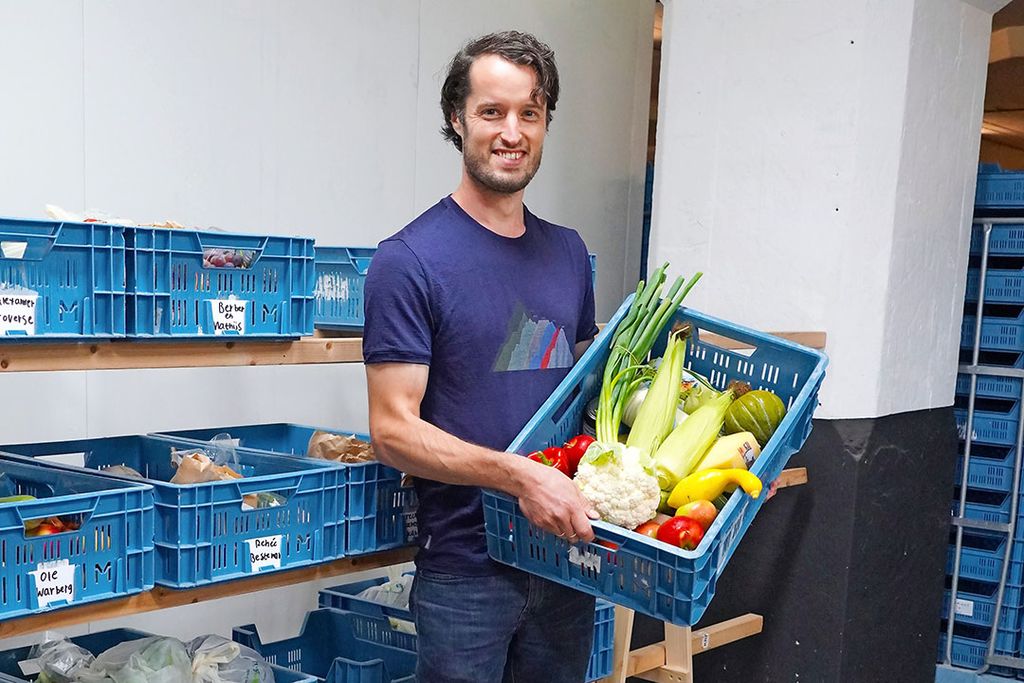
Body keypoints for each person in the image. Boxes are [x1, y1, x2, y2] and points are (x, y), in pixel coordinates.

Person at [362, 30, 600, 683]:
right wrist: (519, 476)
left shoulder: (569, 253)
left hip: (567, 560)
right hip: (468, 571)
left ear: (546, 120)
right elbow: (392, 430)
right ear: (456, 118)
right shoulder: (408, 260)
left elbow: (588, 405)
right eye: (492, 111)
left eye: (530, 112)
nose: (512, 131)